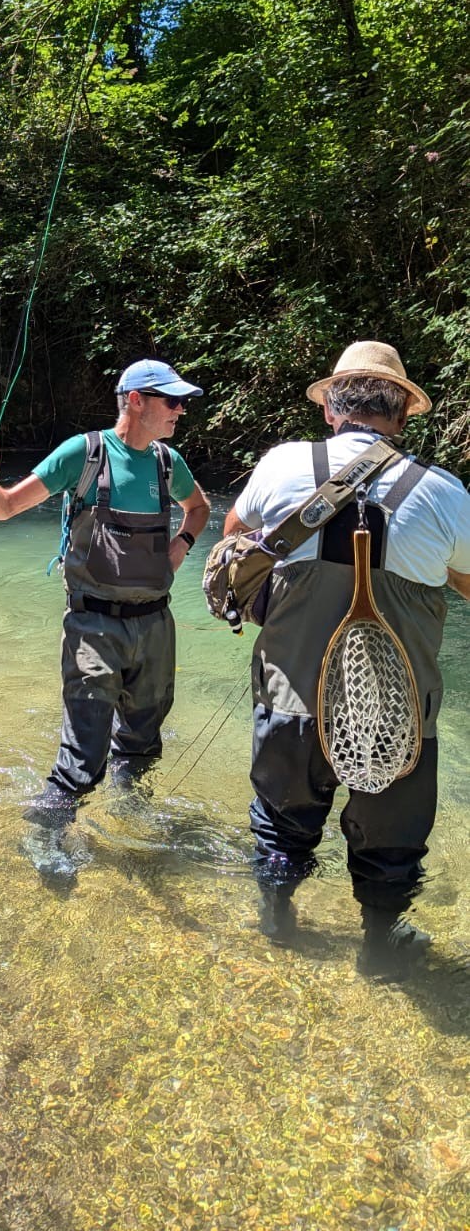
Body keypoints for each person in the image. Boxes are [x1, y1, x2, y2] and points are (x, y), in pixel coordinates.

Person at [221, 341, 470, 976]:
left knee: (281, 819)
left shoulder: (281, 466)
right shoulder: (443, 492)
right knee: (392, 845)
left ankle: (277, 922)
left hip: (290, 702)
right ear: (404, 415)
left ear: (333, 407)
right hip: (396, 719)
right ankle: (380, 954)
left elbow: (232, 541)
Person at [0, 359, 210, 876]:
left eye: (182, 402)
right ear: (136, 400)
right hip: (93, 627)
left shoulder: (169, 463)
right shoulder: (83, 453)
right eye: (172, 401)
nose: (181, 410)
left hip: (156, 627)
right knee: (84, 754)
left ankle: (129, 814)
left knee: (143, 742)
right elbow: (3, 509)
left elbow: (199, 509)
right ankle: (45, 835)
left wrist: (179, 550)